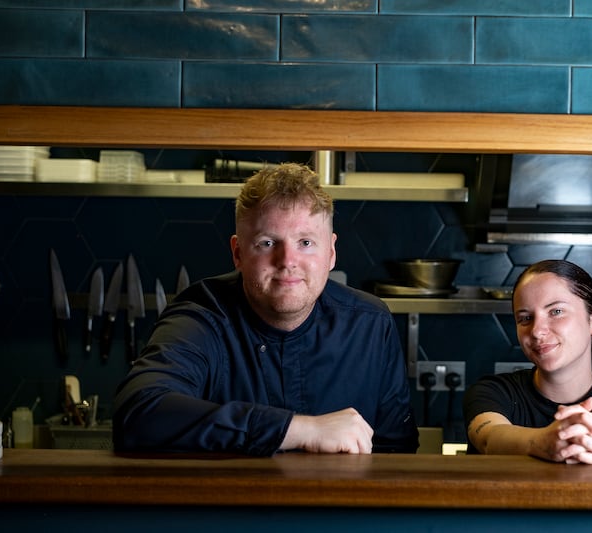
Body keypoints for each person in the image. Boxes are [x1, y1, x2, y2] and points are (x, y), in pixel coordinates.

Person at [113, 162, 418, 456]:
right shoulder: (200, 316)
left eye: (306, 242)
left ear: (331, 253)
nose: (287, 261)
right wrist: (301, 430)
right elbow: (138, 413)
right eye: (268, 243)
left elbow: (396, 452)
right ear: (238, 253)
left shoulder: (371, 325)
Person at [463, 259, 592, 464]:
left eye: (556, 311)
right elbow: (489, 438)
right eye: (525, 318)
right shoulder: (492, 393)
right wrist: (543, 442)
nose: (537, 331)